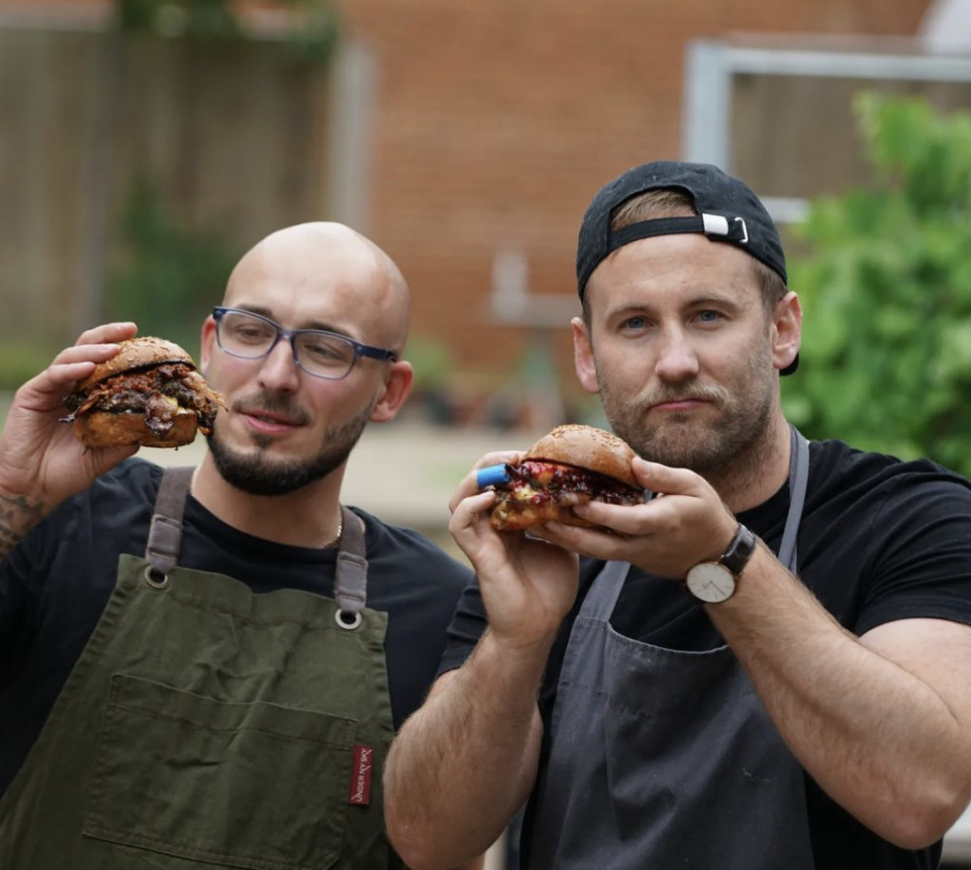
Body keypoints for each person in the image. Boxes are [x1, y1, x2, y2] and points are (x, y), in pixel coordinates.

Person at [383, 161, 971, 870]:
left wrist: (721, 562)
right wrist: (514, 643)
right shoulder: (550, 532)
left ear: (781, 330)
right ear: (586, 356)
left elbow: (922, 794)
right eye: (634, 325)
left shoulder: (907, 519)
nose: (673, 360)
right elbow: (428, 840)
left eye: (707, 316)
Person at [0, 221, 481, 869]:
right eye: (251, 330)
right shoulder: (66, 520)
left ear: (390, 392)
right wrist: (9, 489)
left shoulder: (438, 606)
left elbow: (450, 849)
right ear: (209, 346)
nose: (276, 375)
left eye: (326, 349)